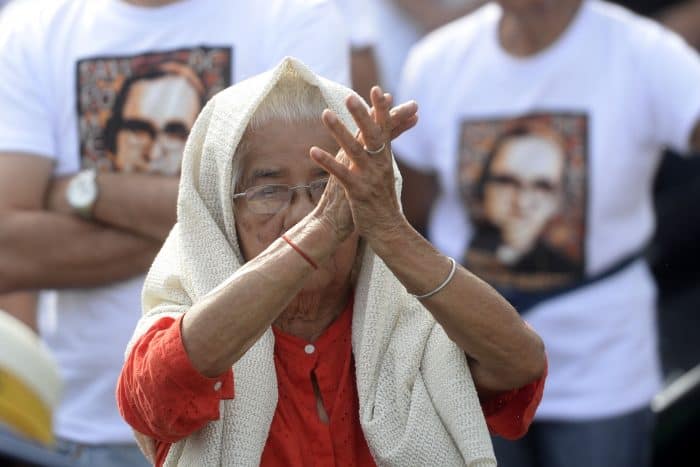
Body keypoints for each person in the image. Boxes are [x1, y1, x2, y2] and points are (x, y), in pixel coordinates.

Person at [116, 57, 547, 467]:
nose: (303, 212)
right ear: (221, 214)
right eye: (269, 191)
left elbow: (519, 364)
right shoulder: (183, 320)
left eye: (329, 184)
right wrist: (323, 227)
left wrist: (390, 231)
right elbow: (158, 398)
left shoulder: (416, 325)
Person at [0, 1, 349, 465]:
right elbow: (9, 250)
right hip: (74, 429)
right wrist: (230, 214)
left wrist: (87, 191)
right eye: (137, 130)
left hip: (258, 433)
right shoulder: (31, 26)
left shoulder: (293, 14)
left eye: (173, 133)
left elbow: (323, 220)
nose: (157, 145)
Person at [393, 0, 700, 466]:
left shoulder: (643, 53)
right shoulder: (437, 61)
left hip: (601, 369)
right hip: (473, 362)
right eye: (506, 181)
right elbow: (409, 213)